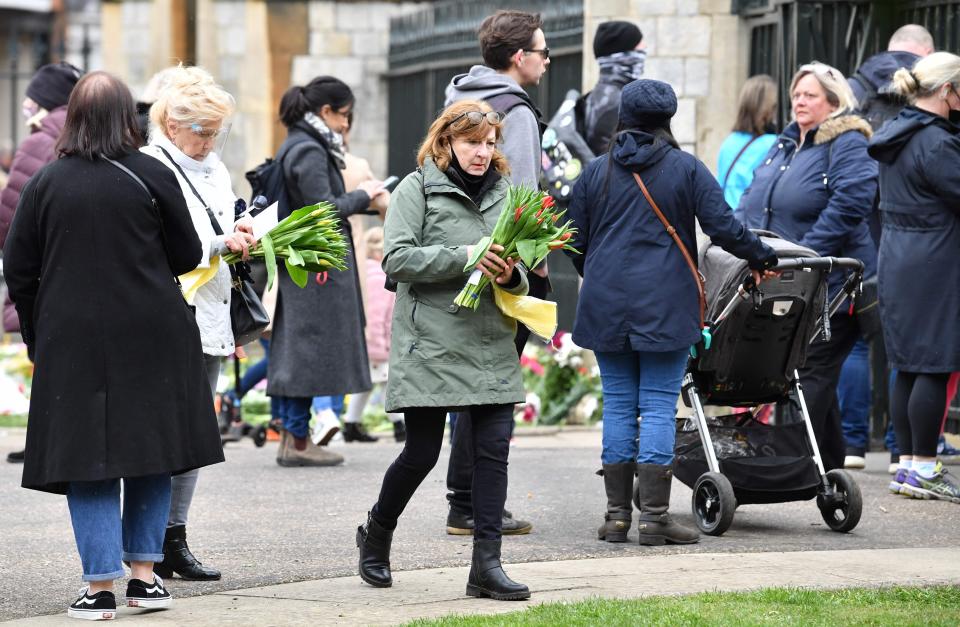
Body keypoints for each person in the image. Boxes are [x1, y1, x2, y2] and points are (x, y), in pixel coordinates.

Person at [3, 70, 223, 620]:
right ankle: (145, 579)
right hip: (154, 333)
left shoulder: (46, 182)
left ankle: (99, 588)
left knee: (88, 461)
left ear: (73, 117)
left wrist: (38, 333)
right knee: (152, 452)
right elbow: (188, 253)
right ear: (128, 118)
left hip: (71, 337)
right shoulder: (150, 172)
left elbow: (19, 267)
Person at [566, 79, 777, 545]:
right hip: (665, 303)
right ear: (667, 119)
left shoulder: (594, 172)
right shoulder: (685, 169)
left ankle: (616, 515)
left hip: (604, 305)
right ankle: (654, 518)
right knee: (659, 406)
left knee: (620, 404)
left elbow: (572, 242)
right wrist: (763, 256)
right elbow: (723, 228)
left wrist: (598, 272)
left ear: (623, 116)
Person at [356, 100, 531, 601]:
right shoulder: (417, 188)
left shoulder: (507, 195)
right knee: (422, 453)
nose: (482, 153)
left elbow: (521, 265)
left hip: (490, 337)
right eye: (472, 142)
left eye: (489, 143)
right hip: (431, 340)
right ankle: (377, 532)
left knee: (492, 451)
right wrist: (465, 257)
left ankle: (486, 567)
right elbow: (397, 258)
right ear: (447, 142)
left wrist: (511, 272)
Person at [736, 62, 878, 473]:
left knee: (811, 367)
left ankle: (790, 463)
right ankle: (829, 464)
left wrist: (805, 256)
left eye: (811, 95)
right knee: (808, 368)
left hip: (830, 281)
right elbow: (753, 196)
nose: (800, 101)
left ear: (834, 103)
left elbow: (850, 204)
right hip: (784, 276)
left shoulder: (847, 141)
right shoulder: (784, 143)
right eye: (797, 94)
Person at [141, 65, 254, 581]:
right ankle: (147, 539)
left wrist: (242, 228)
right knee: (164, 431)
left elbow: (219, 220)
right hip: (170, 312)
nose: (210, 141)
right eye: (201, 130)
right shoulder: (150, 166)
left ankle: (174, 537)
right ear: (169, 123)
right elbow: (162, 243)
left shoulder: (214, 167)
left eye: (216, 131)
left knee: (196, 432)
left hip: (211, 309)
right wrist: (217, 243)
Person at [442, 8, 548, 537]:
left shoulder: (460, 99)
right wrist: (529, 266)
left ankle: (464, 498)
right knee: (491, 387)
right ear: (519, 57)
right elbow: (524, 196)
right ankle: (469, 502)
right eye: (543, 52)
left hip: (463, 251)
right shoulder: (517, 113)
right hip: (503, 262)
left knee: (470, 381)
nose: (547, 62)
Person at [269, 76, 388, 466]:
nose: (346, 125)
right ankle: (299, 441)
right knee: (307, 353)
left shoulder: (302, 143)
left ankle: (292, 437)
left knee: (298, 350)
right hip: (315, 267)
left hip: (307, 264)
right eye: (344, 116)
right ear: (326, 112)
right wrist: (364, 195)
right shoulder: (309, 149)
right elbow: (321, 209)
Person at [841, 24, 935, 471]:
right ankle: (905, 450)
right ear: (926, 52)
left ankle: (854, 446)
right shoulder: (930, 90)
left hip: (859, 230)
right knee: (907, 346)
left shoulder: (855, 86)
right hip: (914, 235)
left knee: (858, 342)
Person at [868, 52, 960, 503]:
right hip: (936, 257)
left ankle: (906, 464)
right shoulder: (936, 143)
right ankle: (925, 465)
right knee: (936, 362)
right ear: (946, 90)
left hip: (899, 253)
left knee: (906, 361)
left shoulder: (896, 133)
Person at [0, 61, 82, 465]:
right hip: (82, 267)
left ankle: (47, 444)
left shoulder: (39, 140)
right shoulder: (86, 132)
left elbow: (10, 215)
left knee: (46, 358)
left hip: (44, 270)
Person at [343, 227, 406, 443]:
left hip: (362, 339)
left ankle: (351, 424)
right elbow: (378, 316)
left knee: (370, 382)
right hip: (375, 341)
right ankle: (400, 425)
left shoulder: (363, 272)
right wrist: (381, 346)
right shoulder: (380, 276)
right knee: (388, 382)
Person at [580, 20, 645, 155]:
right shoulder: (617, 102)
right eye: (638, 51)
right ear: (621, 57)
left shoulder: (598, 96)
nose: (642, 57)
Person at [716, 74, 778, 210]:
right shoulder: (772, 143)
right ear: (768, 109)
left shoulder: (729, 142)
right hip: (750, 221)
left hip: (727, 220)